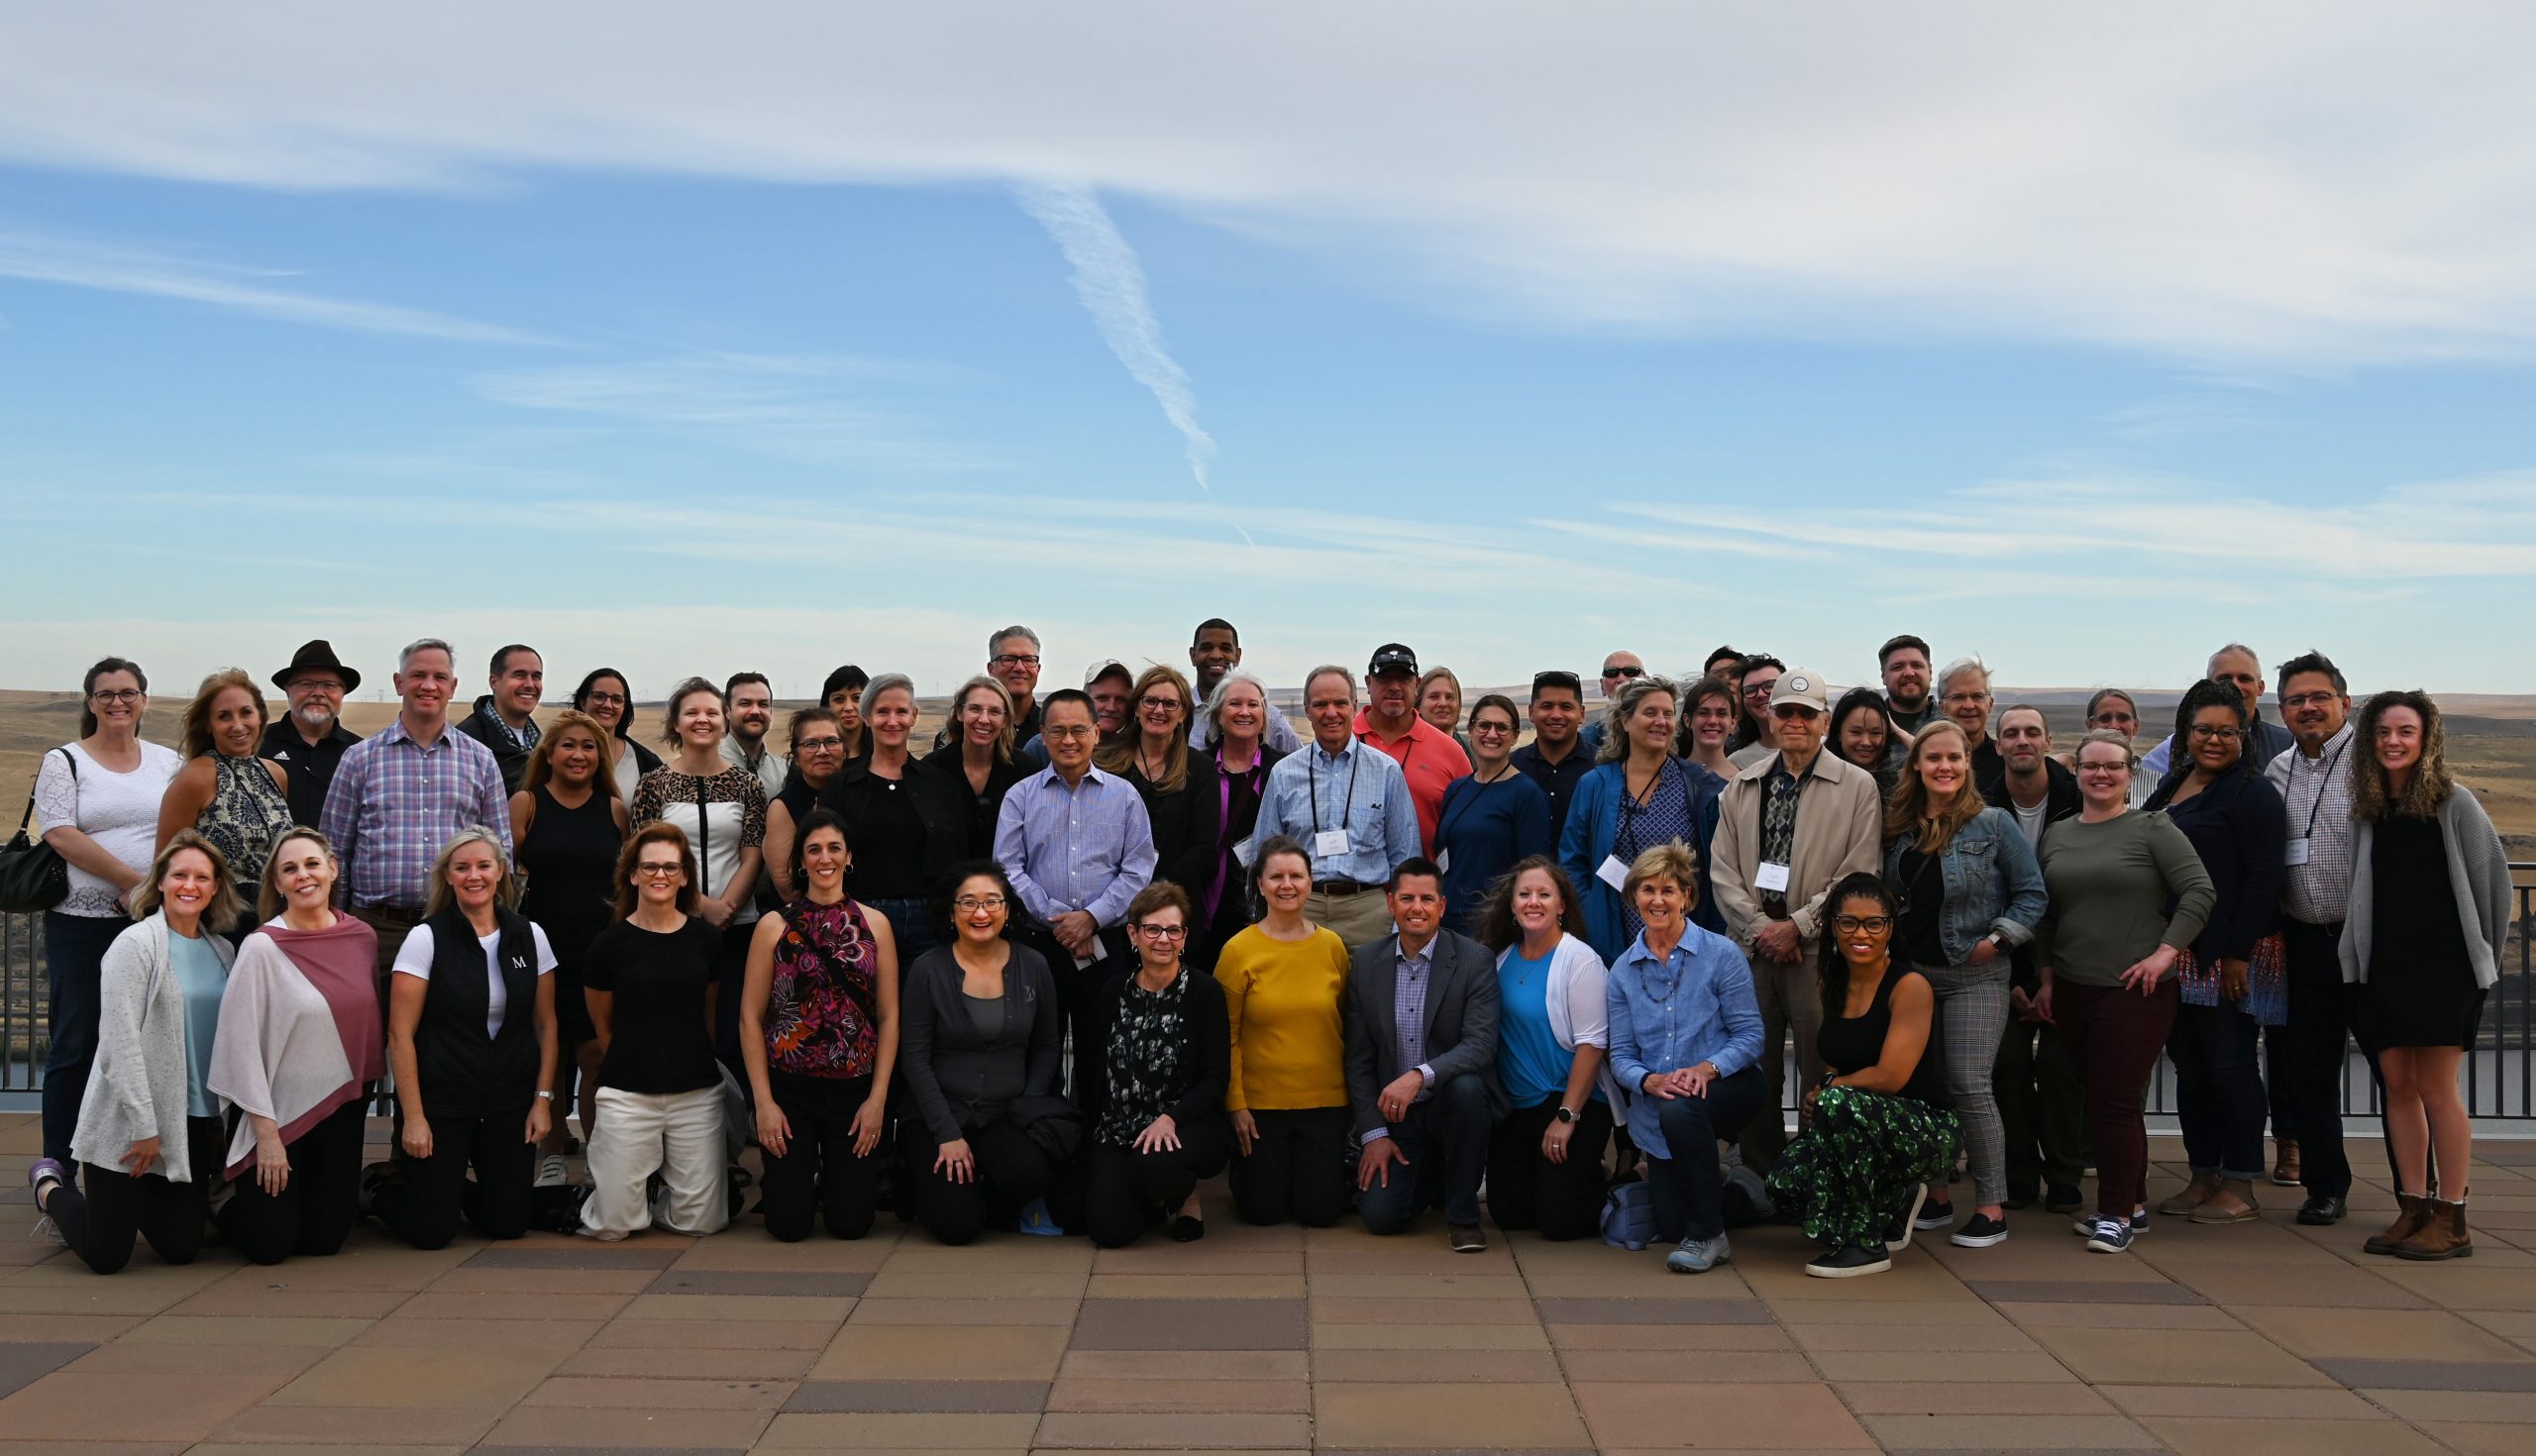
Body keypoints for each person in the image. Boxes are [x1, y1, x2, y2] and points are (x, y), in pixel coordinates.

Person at [2343, 690, 2511, 1262]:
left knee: (2439, 1090)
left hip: (2445, 970)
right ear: (2369, 742)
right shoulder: (2367, 809)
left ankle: (2453, 1217)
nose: (2393, 741)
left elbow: (2494, 887)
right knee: (2397, 1087)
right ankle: (2412, 1207)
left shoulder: (2454, 803)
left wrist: (2479, 957)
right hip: (2383, 968)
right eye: (2383, 732)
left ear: (2426, 739)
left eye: (2405, 731)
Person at [2034, 730, 2215, 1253]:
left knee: (2114, 1103)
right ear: (2078, 773)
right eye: (2090, 766)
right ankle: (2131, 1204)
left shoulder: (2153, 827)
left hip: (2134, 987)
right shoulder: (2059, 835)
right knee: (2101, 1100)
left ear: (2130, 773)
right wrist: (2046, 977)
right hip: (2072, 985)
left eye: (2112, 766)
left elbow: (2200, 890)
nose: (2101, 775)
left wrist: (2166, 952)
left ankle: (2111, 1211)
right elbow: (2047, 916)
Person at [26, 833, 240, 1274]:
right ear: (160, 881)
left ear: (215, 887)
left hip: (192, 1122)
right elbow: (118, 1043)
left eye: (202, 877)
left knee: (182, 1249)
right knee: (106, 1257)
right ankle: (49, 1187)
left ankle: (130, 1203)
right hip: (129, 1120)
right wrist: (144, 1126)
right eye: (179, 874)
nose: (190, 885)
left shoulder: (224, 951)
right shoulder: (136, 946)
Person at [1710, 669, 1884, 1173]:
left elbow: (1859, 871)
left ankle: (1816, 1175)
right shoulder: (1743, 786)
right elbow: (1722, 870)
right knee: (1755, 1067)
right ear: (1770, 714)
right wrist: (1761, 929)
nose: (1795, 722)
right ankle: (1763, 1176)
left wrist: (1799, 926)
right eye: (1785, 711)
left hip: (1817, 952)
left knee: (1819, 1067)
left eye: (1807, 714)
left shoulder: (1857, 786)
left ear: (1824, 720)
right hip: (1752, 950)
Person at [1881, 720, 2045, 1247]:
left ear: (1967, 764)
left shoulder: (1994, 824)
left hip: (1975, 976)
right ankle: (1936, 1196)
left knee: (1970, 1086)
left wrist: (1996, 941)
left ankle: (1992, 1207)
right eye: (1933, 759)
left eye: (1954, 757)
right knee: (1923, 1089)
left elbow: (2032, 894)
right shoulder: (1900, 827)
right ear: (1917, 767)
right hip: (1914, 978)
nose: (1944, 767)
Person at [1764, 873, 1960, 1278]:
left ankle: (1866, 1244)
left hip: (1925, 1127)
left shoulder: (1910, 985)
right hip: (1861, 1119)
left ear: (1890, 927)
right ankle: (1891, 1199)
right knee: (1783, 1186)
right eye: (1848, 922)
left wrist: (1828, 1091)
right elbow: (1840, 1061)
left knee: (1837, 1102)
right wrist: (1824, 1094)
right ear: (1833, 926)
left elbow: (1890, 1076)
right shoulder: (1834, 981)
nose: (1861, 933)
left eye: (1874, 923)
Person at [2144, 678, 2288, 1227]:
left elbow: (2263, 877)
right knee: (2191, 1065)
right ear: (2185, 732)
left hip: (2228, 952)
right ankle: (2202, 1174)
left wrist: (2237, 954)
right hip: (2181, 951)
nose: (2215, 740)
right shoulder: (2175, 782)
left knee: (2229, 1063)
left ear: (2244, 735)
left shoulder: (2251, 792)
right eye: (2204, 729)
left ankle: (2242, 1180)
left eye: (2228, 731)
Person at [370, 827, 559, 1249]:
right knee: (432, 1234)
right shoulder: (426, 938)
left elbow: (546, 1024)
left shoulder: (530, 935)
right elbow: (401, 1035)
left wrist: (542, 1100)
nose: (474, 876)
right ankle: (380, 1190)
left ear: (501, 874)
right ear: (448, 877)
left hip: (508, 1099)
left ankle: (453, 1190)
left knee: (509, 1224)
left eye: (483, 866)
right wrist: (414, 1117)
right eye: (462, 868)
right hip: (443, 1102)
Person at [34, 658, 182, 1176]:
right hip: (82, 923)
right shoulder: (66, 760)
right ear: (90, 702)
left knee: (151, 1041)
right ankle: (59, 1173)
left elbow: (183, 828)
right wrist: (130, 882)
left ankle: (132, 1170)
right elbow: (58, 831)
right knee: (78, 1042)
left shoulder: (168, 762)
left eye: (127, 692)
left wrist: (156, 893)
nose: (117, 702)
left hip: (152, 924)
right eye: (105, 694)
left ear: (144, 698)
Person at [209, 828, 386, 1264]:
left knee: (324, 1241)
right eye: (289, 869)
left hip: (341, 1105)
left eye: (311, 864)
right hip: (276, 1112)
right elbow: (239, 1044)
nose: (303, 876)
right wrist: (266, 1136)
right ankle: (217, 1201)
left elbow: (365, 1027)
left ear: (332, 869)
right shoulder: (261, 948)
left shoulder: (361, 936)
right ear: (277, 883)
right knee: (270, 1247)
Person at [1604, 842, 1767, 1273]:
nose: (1658, 900)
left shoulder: (1721, 955)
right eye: (1648, 890)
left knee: (1680, 1111)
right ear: (1634, 897)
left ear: (1686, 898)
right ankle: (1745, 1195)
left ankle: (1709, 1237)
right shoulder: (1622, 971)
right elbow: (1620, 1055)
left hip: (1730, 1085)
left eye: (1669, 890)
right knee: (1672, 1221)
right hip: (1661, 1102)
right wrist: (1648, 1081)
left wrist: (1706, 1069)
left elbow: (1751, 1036)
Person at [741, 808, 899, 1242]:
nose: (824, 858)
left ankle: (830, 1180)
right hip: (790, 1085)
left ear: (848, 857)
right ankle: (795, 1180)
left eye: (834, 848)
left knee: (852, 1225)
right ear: (801, 859)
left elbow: (888, 1017)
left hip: (853, 1087)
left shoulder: (875, 925)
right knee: (787, 1226)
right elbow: (750, 1019)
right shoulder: (773, 926)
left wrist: (878, 1100)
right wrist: (765, 1103)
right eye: (814, 850)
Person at [320, 638, 512, 982]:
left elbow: (501, 850)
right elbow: (333, 854)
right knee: (373, 1029)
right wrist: (338, 923)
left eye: (439, 677)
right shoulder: (359, 759)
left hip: (456, 924)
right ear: (399, 683)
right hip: (377, 930)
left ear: (452, 687)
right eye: (418, 675)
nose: (428, 685)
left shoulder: (480, 760)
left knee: (451, 1030)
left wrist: (490, 920)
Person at [898, 865, 1065, 1244]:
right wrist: (947, 1133)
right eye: (969, 903)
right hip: (938, 1115)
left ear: (1007, 911)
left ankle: (981, 1184)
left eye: (992, 902)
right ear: (951, 911)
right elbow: (915, 1057)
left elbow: (1047, 1045)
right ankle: (924, 1180)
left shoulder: (1034, 965)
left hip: (1005, 1113)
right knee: (957, 1228)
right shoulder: (927, 970)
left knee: (1031, 1173)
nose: (981, 913)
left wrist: (1028, 1108)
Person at [581, 822, 730, 1238]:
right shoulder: (608, 945)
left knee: (704, 1222)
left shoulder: (706, 940)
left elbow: (708, 1013)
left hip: (695, 1091)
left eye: (670, 867)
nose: (660, 875)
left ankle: (659, 1194)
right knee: (613, 1225)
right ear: (632, 874)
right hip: (628, 1092)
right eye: (649, 867)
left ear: (685, 876)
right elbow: (602, 1025)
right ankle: (620, 1196)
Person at [1343, 859, 1502, 1251]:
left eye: (1427, 899)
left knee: (1467, 1088)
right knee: (1380, 1218)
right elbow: (1359, 1059)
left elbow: (1480, 1044)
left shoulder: (1473, 960)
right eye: (1408, 898)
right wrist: (1373, 1135)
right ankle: (1430, 1176)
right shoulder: (1365, 963)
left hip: (1450, 1105)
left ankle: (1463, 1215)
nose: (1417, 907)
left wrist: (1419, 1074)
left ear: (1442, 907)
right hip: (1397, 1117)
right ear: (1390, 903)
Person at [995, 689, 1158, 1048]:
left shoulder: (1125, 796)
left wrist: (1092, 918)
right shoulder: (1019, 797)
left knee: (1100, 1049)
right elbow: (1007, 867)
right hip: (1039, 946)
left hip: (1107, 947)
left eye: (1079, 730)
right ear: (1043, 734)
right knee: (1039, 1050)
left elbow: (1138, 869)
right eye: (1058, 730)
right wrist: (1062, 920)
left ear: (1096, 733)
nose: (1068, 740)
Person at [507, 710, 627, 1181]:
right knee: (549, 1056)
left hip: (599, 949)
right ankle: (552, 1155)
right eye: (569, 746)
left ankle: (600, 1160)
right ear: (549, 754)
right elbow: (505, 877)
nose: (579, 755)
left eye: (589, 747)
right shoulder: (526, 803)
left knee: (596, 1054)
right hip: (541, 948)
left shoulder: (615, 809)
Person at [1077, 883, 1231, 1246]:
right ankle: (1155, 1200)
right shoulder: (1114, 990)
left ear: (1184, 937)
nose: (1163, 939)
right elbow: (1095, 1066)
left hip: (1184, 1124)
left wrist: (1170, 1118)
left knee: (1157, 1166)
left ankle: (1184, 1193)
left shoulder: (1204, 992)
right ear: (1133, 933)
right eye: (1153, 929)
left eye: (1173, 930)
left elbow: (1214, 1077)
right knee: (1106, 1231)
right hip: (1119, 1126)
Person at [2263, 652, 2360, 1225]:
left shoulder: (2374, 764)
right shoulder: (2278, 771)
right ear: (2283, 710)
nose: (2308, 707)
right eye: (2296, 700)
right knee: (2311, 1070)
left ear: (2345, 703)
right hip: (2305, 941)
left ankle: (2418, 1191)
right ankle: (2326, 1186)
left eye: (2319, 696)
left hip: (2368, 943)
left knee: (2396, 1071)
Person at [631, 676, 768, 1068]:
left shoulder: (747, 784)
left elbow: (753, 851)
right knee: (681, 1026)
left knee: (735, 1029)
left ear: (725, 720)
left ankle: (738, 1126)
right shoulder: (654, 784)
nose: (701, 719)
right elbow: (644, 856)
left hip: (738, 926)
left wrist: (726, 908)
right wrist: (699, 905)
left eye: (711, 712)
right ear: (676, 723)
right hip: (672, 925)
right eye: (691, 712)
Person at [1475, 859, 1615, 1242]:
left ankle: (1622, 1179)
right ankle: (1572, 1174)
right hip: (1516, 1111)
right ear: (1512, 905)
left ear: (1562, 906)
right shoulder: (1498, 959)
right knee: (1510, 1215)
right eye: (1524, 894)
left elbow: (1592, 1045)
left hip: (1569, 1104)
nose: (1533, 902)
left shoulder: (1580, 960)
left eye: (1544, 894)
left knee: (1560, 1225)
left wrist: (1566, 1118)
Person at [1215, 837, 1352, 1228]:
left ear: (1311, 882)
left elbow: (1344, 1021)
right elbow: (1227, 1036)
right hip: (1262, 1106)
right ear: (1260, 884)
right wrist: (1236, 1106)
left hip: (1325, 1102)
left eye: (1296, 875)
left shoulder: (1333, 947)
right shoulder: (1238, 951)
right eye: (1276, 876)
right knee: (1263, 1213)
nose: (1286, 885)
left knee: (1320, 1214)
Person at [1981, 704, 2084, 1213]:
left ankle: (2065, 1175)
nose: (2022, 740)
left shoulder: (2079, 798)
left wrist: (2055, 980)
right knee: (2009, 1063)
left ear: (2047, 741)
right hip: (2002, 963)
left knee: (2063, 1066)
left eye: (2032, 732)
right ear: (1997, 745)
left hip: (2071, 961)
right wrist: (2013, 979)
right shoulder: (1980, 806)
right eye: (2011, 733)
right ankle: (2018, 1172)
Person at [1249, 667, 1421, 945]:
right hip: (1300, 909)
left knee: (1367, 990)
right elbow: (1262, 853)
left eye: (1340, 703)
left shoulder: (1386, 771)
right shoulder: (1284, 773)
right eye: (1320, 704)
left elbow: (1406, 856)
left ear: (1354, 707)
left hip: (1368, 914)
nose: (1331, 713)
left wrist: (1398, 923)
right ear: (1307, 710)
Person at [1561, 676, 1726, 962]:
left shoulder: (1698, 787)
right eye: (1650, 712)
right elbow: (1572, 860)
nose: (1661, 721)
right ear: (1625, 721)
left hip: (1683, 934)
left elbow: (1716, 866)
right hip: (1611, 935)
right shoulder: (1595, 785)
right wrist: (1592, 916)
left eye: (1668, 714)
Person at [156, 668, 296, 900]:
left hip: (275, 915)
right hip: (220, 918)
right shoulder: (197, 777)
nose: (238, 725)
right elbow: (165, 863)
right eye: (224, 716)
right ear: (208, 725)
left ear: (260, 716)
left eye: (246, 712)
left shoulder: (276, 773)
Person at [1097, 667, 1221, 912]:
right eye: (1150, 701)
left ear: (1183, 712)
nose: (1159, 710)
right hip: (1110, 902)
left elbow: (1204, 846)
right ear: (1136, 708)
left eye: (1170, 703)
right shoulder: (1104, 763)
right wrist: (1123, 892)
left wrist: (1153, 890)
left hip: (1175, 905)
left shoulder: (1200, 769)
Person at [1434, 695, 1552, 934]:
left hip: (1493, 925)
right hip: (1448, 920)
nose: (1492, 734)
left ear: (1515, 736)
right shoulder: (1457, 789)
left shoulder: (1526, 794)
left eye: (1502, 727)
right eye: (1484, 725)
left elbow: (1532, 871)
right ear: (1470, 730)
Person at [1197, 671, 1288, 960]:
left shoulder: (1282, 769)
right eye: (1235, 704)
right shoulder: (1197, 768)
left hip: (1266, 894)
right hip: (1206, 892)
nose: (1245, 712)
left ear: (1264, 715)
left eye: (1254, 704)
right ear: (1218, 714)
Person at [1356, 644, 1471, 853]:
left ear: (1416, 684)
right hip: (1358, 885)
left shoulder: (1450, 751)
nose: (1394, 686)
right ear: (1368, 682)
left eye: (1403, 678)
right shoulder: (1344, 742)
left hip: (1426, 882)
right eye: (1384, 678)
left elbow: (1469, 827)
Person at [2141, 644, 2298, 779]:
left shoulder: (2289, 745)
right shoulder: (2177, 746)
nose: (2235, 686)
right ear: (2208, 686)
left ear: (2260, 687)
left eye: (2244, 679)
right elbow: (2138, 790)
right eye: (2224, 679)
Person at [261, 640, 363, 831]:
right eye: (307, 684)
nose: (318, 693)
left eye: (329, 685)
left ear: (343, 693)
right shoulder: (256, 746)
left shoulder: (359, 753)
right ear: (287, 690)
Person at [926, 675, 1028, 859]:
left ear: (1006, 720)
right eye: (975, 709)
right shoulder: (931, 769)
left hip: (1008, 882)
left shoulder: (1024, 769)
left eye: (995, 712)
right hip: (947, 882)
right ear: (959, 713)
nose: (984, 719)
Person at [766, 707, 848, 902]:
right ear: (796, 754)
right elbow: (787, 886)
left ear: (845, 750)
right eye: (811, 744)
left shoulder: (860, 793)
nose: (822, 751)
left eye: (831, 742)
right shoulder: (783, 806)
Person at [1188, 619, 1304, 753]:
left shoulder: (1269, 719)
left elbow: (1299, 765)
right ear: (1193, 655)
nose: (1216, 655)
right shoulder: (1177, 714)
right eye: (1206, 648)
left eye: (1225, 649)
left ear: (1237, 656)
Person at [1513, 671, 1595, 844]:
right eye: (1547, 706)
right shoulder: (1511, 767)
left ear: (1582, 714)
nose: (1556, 715)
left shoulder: (1603, 767)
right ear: (1531, 712)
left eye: (1566, 707)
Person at [455, 644, 545, 792]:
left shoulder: (543, 743)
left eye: (536, 677)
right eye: (519, 675)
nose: (529, 684)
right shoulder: (466, 743)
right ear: (494, 682)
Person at [571, 668, 663, 811]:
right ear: (583, 702)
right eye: (599, 696)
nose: (608, 705)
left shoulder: (647, 764)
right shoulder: (559, 755)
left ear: (624, 707)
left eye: (616, 700)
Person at [1934, 658, 2005, 797]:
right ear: (1942, 707)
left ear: (1990, 704)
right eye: (1958, 697)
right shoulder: (1930, 764)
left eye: (1977, 696)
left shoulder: (2006, 763)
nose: (1969, 705)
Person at [717, 672, 789, 801]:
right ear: (727, 712)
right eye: (745, 704)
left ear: (771, 712)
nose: (755, 711)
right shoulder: (706, 766)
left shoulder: (785, 771)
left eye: (763, 704)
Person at [1827, 686, 1908, 797]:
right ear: (1839, 733)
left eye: (1876, 733)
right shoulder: (1822, 778)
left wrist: (1902, 735)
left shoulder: (1898, 781)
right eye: (1856, 732)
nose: (1866, 742)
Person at [2084, 688, 2153, 809]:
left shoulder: (2158, 784)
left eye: (2123, 718)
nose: (2114, 726)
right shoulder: (2071, 779)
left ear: (2135, 726)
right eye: (2105, 718)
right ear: (2090, 725)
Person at [1576, 651, 1646, 759]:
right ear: (1602, 686)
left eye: (1631, 671)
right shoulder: (1582, 743)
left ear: (1646, 681)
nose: (1621, 679)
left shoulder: (1665, 734)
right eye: (1611, 672)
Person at [1676, 674, 1742, 783]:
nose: (1712, 721)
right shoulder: (1670, 776)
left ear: (1733, 722)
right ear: (1687, 720)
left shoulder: (1743, 783)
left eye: (1721, 714)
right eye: (1703, 713)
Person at [1727, 655, 1785, 764]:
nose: (1761, 694)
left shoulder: (1822, 748)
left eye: (1769, 685)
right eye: (1751, 690)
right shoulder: (1737, 763)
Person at [1879, 635, 1938, 734]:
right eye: (1897, 667)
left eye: (1917, 665)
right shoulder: (1867, 725)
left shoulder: (1956, 725)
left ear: (1930, 671)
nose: (1909, 673)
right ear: (1883, 676)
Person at [1419, 666, 1476, 757]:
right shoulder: (1405, 751)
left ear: (1459, 706)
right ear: (1418, 706)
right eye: (1434, 697)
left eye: (1450, 697)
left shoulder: (1473, 753)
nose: (1443, 703)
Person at [822, 665, 871, 762]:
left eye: (857, 698)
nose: (848, 707)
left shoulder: (885, 759)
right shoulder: (813, 759)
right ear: (827, 704)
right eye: (839, 699)